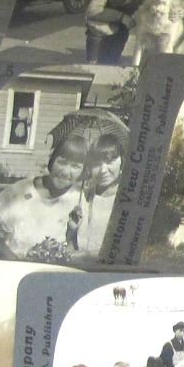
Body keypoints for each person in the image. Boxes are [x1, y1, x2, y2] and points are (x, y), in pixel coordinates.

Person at [0, 120, 93, 261]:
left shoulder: (77, 199)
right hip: (15, 265)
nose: (66, 172)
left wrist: (72, 231)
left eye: (76, 166)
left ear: (83, 170)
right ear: (51, 161)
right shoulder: (20, 191)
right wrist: (21, 265)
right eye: (62, 162)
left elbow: (72, 249)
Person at [66, 110, 128, 260]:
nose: (102, 170)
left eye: (110, 161)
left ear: (122, 163)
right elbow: (71, 249)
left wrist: (87, 256)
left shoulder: (127, 202)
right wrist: (71, 231)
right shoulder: (84, 198)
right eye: (96, 163)